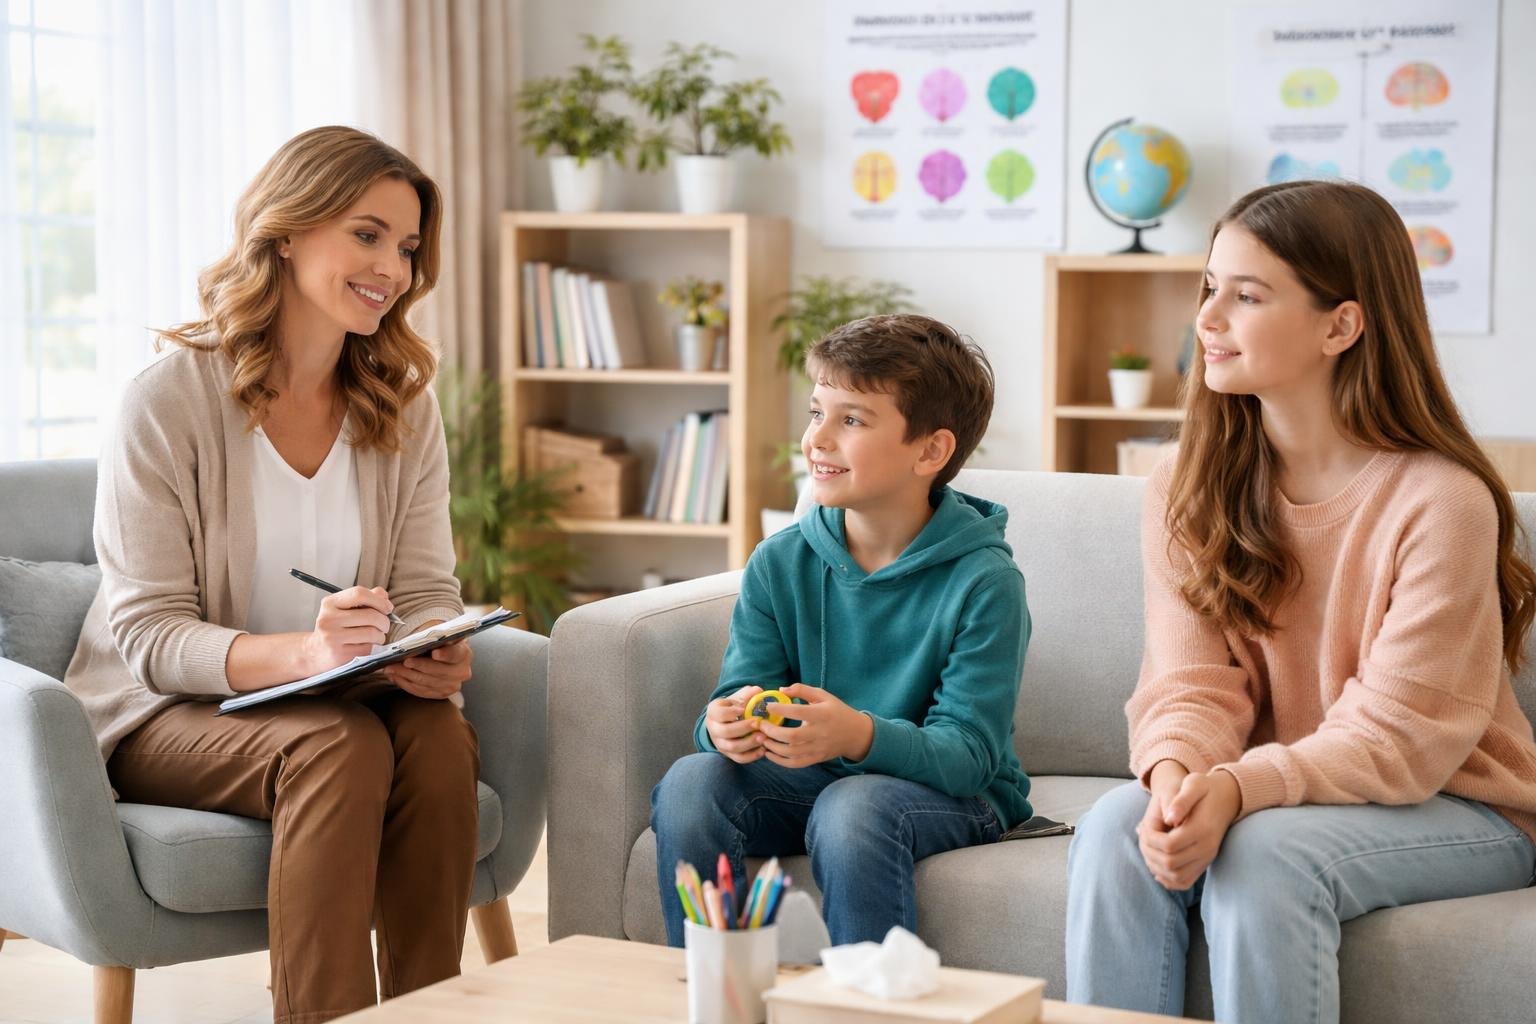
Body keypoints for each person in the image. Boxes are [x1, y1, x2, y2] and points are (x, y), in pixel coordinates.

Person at [1065, 180, 1536, 1024]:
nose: (1207, 320)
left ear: (1341, 325)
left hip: (1461, 801)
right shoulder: (1186, 483)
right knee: (1114, 829)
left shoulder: (1442, 501)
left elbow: (1399, 734)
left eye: (1247, 295)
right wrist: (1175, 784)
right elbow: (1188, 685)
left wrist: (1240, 790)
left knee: (1269, 860)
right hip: (1272, 788)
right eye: (1210, 287)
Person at [64, 126, 480, 1023]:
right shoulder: (166, 402)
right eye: (366, 235)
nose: (393, 269)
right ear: (286, 232)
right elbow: (148, 636)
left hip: (334, 695)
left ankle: (428, 1013)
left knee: (440, 741)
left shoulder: (403, 406)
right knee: (338, 745)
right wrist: (306, 653)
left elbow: (426, 588)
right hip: (165, 714)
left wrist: (428, 649)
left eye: (406, 248)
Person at [650, 313, 1033, 947]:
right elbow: (740, 692)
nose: (817, 439)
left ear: (931, 451)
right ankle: (709, 994)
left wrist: (855, 735)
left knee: (851, 807)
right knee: (693, 780)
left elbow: (969, 757)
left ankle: (863, 1006)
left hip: (954, 794)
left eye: (851, 420)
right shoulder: (780, 561)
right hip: (813, 779)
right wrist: (724, 723)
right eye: (816, 412)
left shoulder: (985, 581)